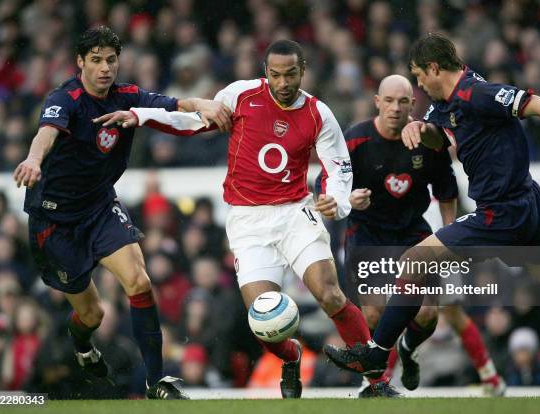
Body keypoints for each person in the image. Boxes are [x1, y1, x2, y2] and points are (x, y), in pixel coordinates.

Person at [95, 39, 379, 398]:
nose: (283, 82)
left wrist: (337, 202)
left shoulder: (318, 113)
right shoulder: (241, 96)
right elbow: (191, 121)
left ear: (302, 71)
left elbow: (338, 165)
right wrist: (141, 115)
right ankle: (291, 358)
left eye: (291, 74)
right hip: (248, 221)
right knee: (263, 324)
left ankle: (377, 382)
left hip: (294, 212)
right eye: (275, 75)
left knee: (329, 293)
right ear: (266, 74)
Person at [323, 32, 540, 380]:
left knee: (413, 260)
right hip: (526, 206)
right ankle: (386, 352)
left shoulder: (476, 93)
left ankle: (377, 354)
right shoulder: (446, 104)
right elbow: (442, 134)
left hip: (502, 212)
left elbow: (537, 104)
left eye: (420, 77)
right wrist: (422, 129)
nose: (419, 87)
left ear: (434, 69)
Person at [12, 26, 231, 400]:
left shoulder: (128, 96)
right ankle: (82, 345)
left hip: (99, 207)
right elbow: (46, 132)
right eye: (96, 60)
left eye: (111, 60)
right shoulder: (66, 98)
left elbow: (174, 104)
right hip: (56, 222)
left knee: (140, 283)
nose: (104, 68)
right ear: (80, 62)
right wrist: (33, 159)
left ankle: (156, 382)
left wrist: (203, 104)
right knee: (93, 316)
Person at [317, 74, 505, 396]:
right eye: (388, 100)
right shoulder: (355, 140)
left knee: (429, 314)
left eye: (403, 101)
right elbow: (329, 183)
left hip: (413, 233)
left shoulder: (427, 140)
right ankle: (376, 382)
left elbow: (447, 190)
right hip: (368, 233)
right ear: (377, 102)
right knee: (374, 314)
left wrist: (448, 234)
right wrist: (348, 200)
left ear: (413, 105)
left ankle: (408, 349)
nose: (395, 108)